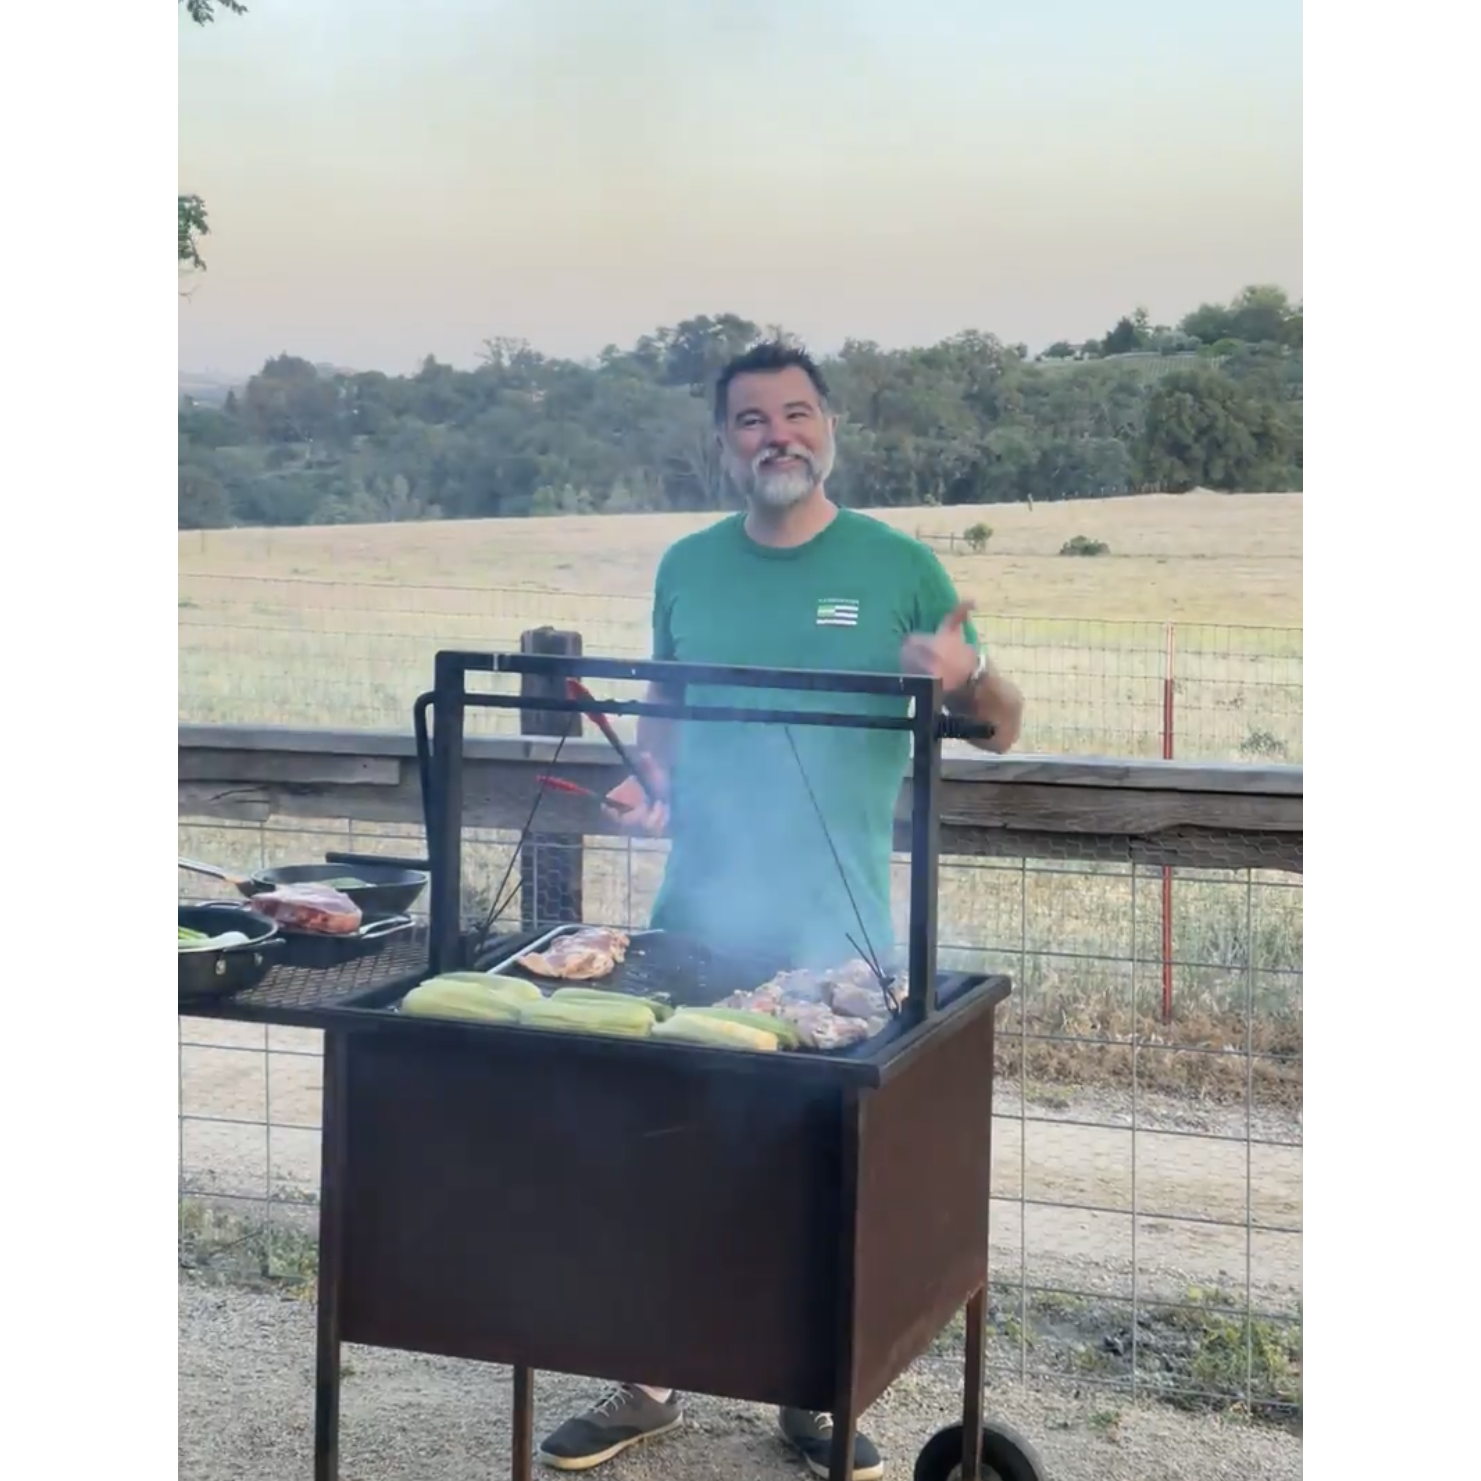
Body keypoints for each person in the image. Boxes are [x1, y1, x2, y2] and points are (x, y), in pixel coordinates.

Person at [535, 342, 1024, 1480]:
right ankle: (645, 1378)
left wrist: (962, 678)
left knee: (819, 1168)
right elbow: (664, 703)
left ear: (828, 427)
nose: (775, 436)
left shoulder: (898, 564)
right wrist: (646, 781)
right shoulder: (687, 566)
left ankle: (813, 1386)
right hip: (694, 909)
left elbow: (1000, 717)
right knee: (669, 1146)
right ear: (724, 442)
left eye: (795, 413)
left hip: (837, 930)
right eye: (750, 419)